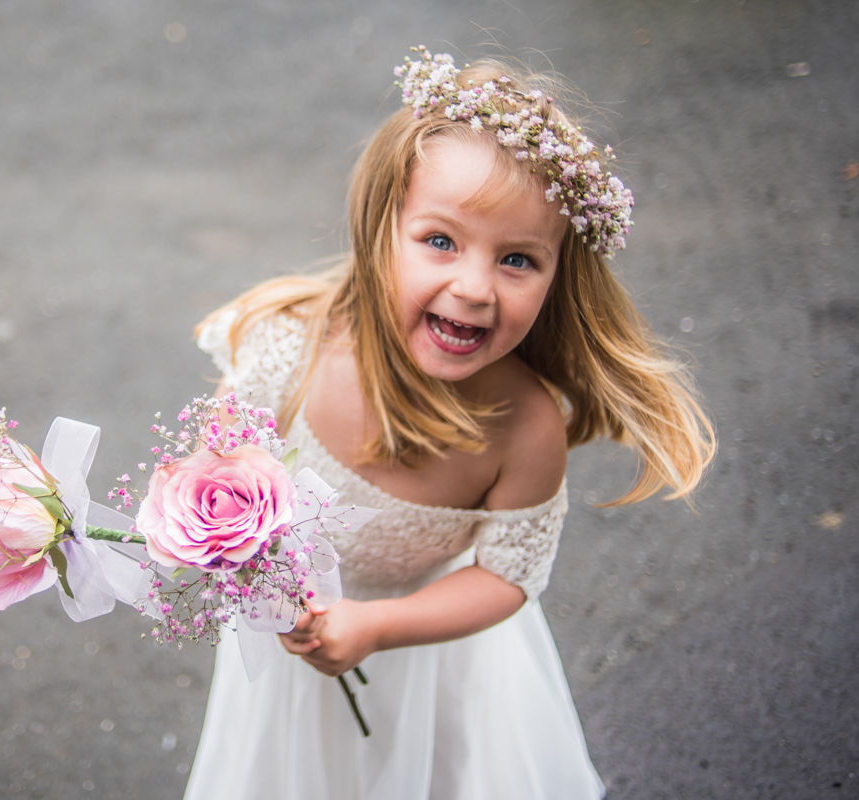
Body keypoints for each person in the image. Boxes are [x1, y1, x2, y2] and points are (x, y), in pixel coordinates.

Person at [183, 46, 714, 799]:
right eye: (440, 241)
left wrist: (374, 628)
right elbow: (217, 468)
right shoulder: (292, 349)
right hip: (291, 639)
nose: (473, 288)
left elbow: (505, 576)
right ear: (381, 231)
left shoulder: (525, 428)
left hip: (433, 658)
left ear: (558, 275)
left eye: (519, 260)